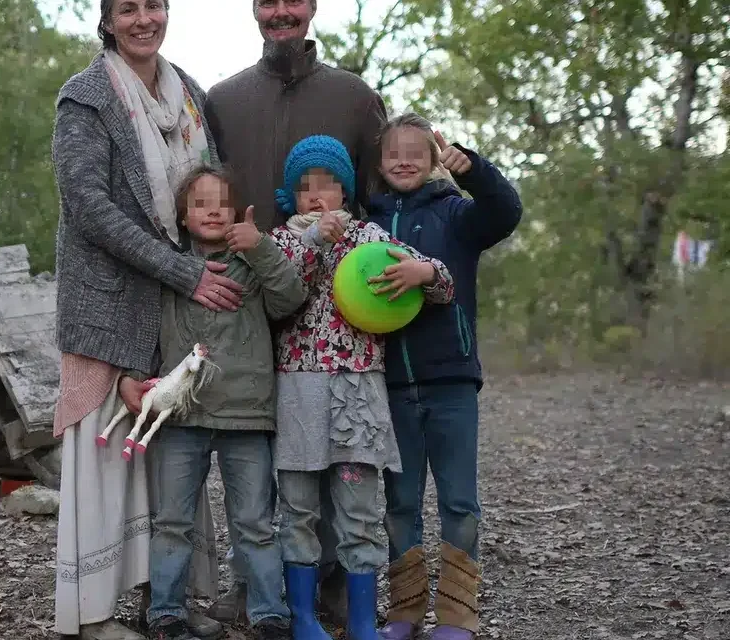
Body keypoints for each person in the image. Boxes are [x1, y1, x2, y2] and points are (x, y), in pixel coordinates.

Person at [49, 1, 242, 637]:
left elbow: (206, 194)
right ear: (107, 20)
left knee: (171, 452)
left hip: (174, 304)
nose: (142, 20)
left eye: (153, 5)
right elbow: (88, 207)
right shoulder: (86, 96)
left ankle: (170, 599)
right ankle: (94, 615)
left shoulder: (188, 92)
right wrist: (183, 271)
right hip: (106, 298)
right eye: (126, 8)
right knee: (108, 454)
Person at [203, 0, 389, 623]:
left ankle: (335, 586)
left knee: (340, 460)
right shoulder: (224, 102)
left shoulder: (354, 97)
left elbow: (381, 199)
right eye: (267, 0)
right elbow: (200, 192)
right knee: (259, 459)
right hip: (244, 308)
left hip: (338, 320)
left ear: (311, 7)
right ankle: (255, 581)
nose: (280, 11)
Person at [268, 135, 455, 640]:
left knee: (358, 510)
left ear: (345, 192)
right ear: (293, 195)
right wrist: (314, 243)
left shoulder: (369, 238)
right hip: (298, 393)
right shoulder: (281, 243)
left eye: (328, 186)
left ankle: (362, 623)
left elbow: (442, 284)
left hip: (357, 394)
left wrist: (424, 271)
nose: (316, 197)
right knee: (299, 508)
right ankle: (304, 618)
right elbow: (276, 297)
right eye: (305, 188)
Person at [364, 113, 523, 640]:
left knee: (459, 502)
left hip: (451, 381)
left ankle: (457, 616)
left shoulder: (457, 213)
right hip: (388, 385)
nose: (404, 161)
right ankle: (405, 613)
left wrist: (473, 169)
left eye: (416, 152)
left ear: (433, 160)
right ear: (380, 164)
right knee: (401, 503)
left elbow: (505, 212)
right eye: (393, 154)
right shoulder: (369, 221)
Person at [146, 166, 301, 640]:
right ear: (183, 217)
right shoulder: (169, 269)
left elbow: (289, 298)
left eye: (221, 202)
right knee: (172, 520)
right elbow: (147, 331)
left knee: (254, 521)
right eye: (199, 203)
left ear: (236, 212)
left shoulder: (253, 263)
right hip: (181, 414)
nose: (212, 210)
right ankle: (165, 613)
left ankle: (269, 613)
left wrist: (260, 246)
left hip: (246, 414)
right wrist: (138, 379)